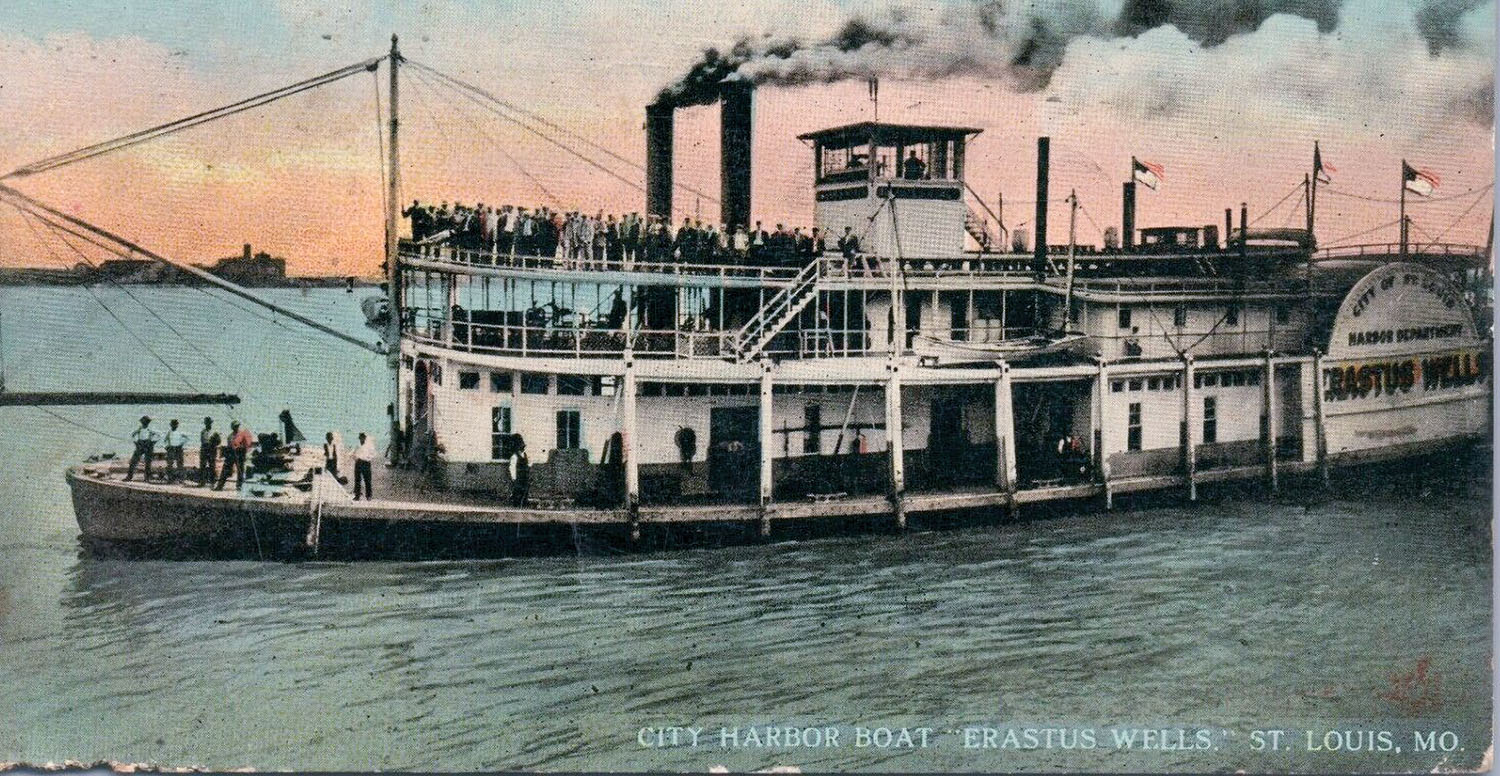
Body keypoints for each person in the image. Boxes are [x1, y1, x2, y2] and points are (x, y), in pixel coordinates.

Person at [215, 420, 254, 491]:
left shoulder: (242, 435)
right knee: (225, 469)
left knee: (240, 470)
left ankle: (239, 486)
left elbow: (246, 446)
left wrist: (243, 453)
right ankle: (220, 485)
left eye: (236, 426)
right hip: (231, 453)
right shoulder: (230, 436)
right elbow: (228, 445)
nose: (235, 428)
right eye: (234, 427)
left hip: (240, 453)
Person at [124, 415, 159, 482]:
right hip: (140, 445)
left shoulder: (151, 430)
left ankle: (147, 477)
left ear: (148, 422)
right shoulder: (139, 429)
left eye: (146, 421)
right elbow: (132, 435)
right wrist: (135, 442)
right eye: (143, 421)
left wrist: (153, 442)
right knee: (133, 461)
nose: (144, 423)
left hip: (148, 446)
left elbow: (159, 436)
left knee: (148, 462)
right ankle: (129, 476)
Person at [352, 432, 375, 500]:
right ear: (359, 438)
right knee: (357, 480)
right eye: (361, 437)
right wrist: (355, 458)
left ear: (365, 438)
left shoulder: (369, 445)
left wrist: (368, 458)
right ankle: (357, 495)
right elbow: (353, 453)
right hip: (358, 462)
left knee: (367, 479)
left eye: (363, 437)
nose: (362, 439)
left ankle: (368, 496)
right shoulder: (357, 445)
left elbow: (372, 454)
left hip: (366, 463)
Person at [198, 417, 220, 486]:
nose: (207, 424)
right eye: (206, 422)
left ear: (211, 423)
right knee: (202, 466)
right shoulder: (203, 431)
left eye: (209, 422)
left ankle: (212, 482)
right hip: (204, 448)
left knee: (212, 465)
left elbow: (219, 441)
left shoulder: (215, 432)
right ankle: (202, 482)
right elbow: (202, 441)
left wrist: (213, 443)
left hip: (212, 449)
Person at [508, 434, 529, 507]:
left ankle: (523, 505)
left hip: (525, 476)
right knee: (518, 492)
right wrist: (514, 478)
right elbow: (512, 467)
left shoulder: (525, 455)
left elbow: (528, 464)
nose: (522, 448)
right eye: (521, 447)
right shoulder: (515, 456)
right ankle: (516, 505)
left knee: (525, 491)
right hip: (518, 477)